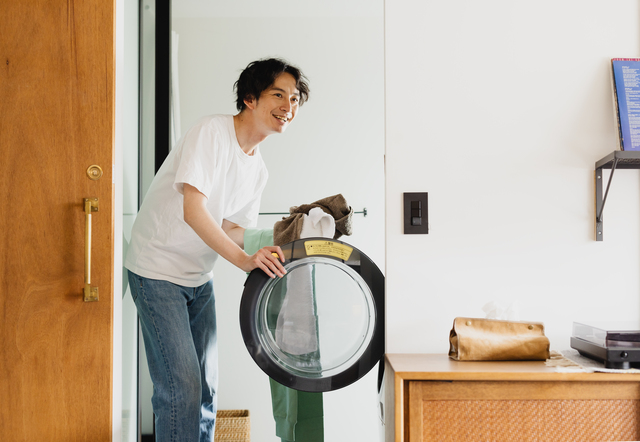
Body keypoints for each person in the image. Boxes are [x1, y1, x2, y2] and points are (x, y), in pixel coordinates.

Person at [124, 57, 310, 442]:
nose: (288, 107)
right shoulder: (212, 132)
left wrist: (283, 240)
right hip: (157, 271)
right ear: (250, 98)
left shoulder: (258, 169)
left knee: (206, 390)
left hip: (197, 278)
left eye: (294, 99)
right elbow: (194, 212)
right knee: (182, 390)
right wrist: (245, 261)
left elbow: (232, 228)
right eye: (279, 94)